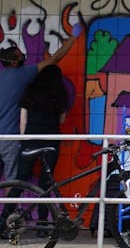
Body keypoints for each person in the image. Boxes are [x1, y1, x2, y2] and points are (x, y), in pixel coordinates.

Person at [0, 27, 80, 182]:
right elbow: (54, 60)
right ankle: (11, 207)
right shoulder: (22, 75)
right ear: (14, 62)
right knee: (11, 181)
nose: (24, 56)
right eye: (20, 55)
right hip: (9, 138)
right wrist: (73, 37)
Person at [18, 64, 71, 181]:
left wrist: (23, 140)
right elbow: (62, 121)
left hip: (30, 138)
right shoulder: (61, 94)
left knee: (20, 179)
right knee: (46, 180)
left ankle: (11, 199)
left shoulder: (30, 92)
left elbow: (23, 120)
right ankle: (42, 199)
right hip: (51, 139)